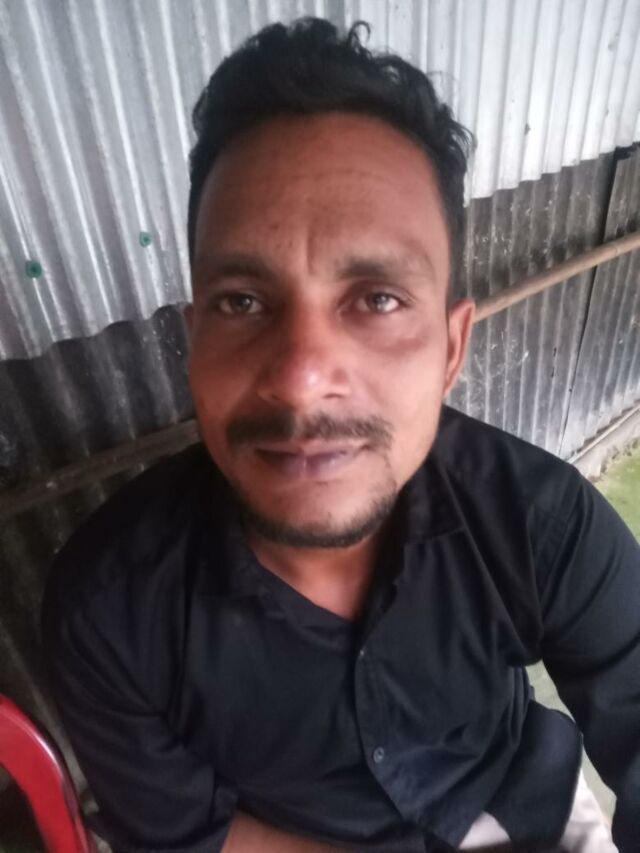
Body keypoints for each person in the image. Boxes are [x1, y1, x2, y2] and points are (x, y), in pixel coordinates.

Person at [42, 18, 639, 853]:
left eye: (378, 299)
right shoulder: (110, 610)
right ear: (194, 341)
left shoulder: (542, 524)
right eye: (243, 301)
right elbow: (186, 832)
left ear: (451, 350)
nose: (300, 377)